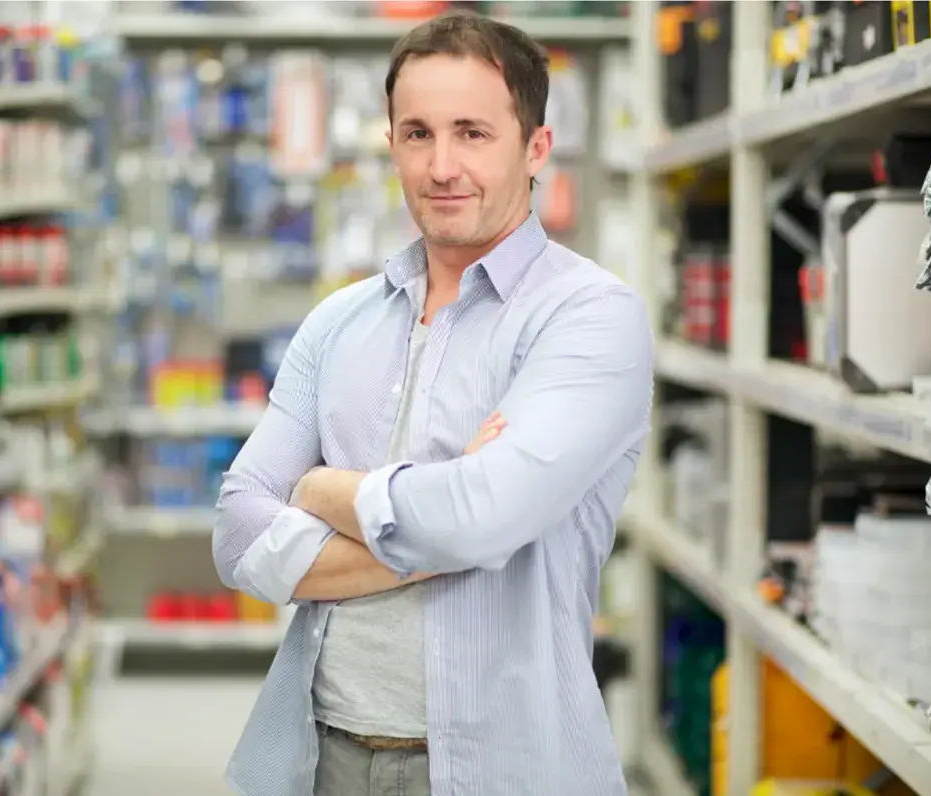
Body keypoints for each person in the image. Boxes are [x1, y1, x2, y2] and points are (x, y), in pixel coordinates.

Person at [212, 9, 653, 796]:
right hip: (321, 756)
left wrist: (321, 491)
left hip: (501, 769)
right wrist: (446, 527)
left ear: (536, 148)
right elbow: (240, 532)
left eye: (473, 133)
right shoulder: (338, 321)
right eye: (417, 134)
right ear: (392, 145)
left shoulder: (589, 317)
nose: (443, 165)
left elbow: (484, 515)